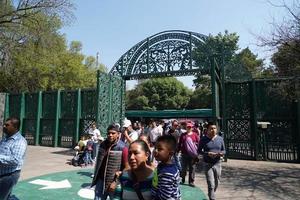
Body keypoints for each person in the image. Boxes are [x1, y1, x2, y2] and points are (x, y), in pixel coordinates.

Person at [91, 123, 129, 200]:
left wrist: (116, 182)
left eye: (113, 133)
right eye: (108, 133)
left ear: (118, 134)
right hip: (100, 180)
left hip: (114, 182)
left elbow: (127, 167)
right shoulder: (102, 144)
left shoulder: (123, 147)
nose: (110, 135)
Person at [0, 117, 27, 200]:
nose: (4, 126)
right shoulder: (5, 139)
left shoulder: (20, 141)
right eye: (4, 124)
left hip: (9, 176)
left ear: (15, 127)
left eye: (7, 125)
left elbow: (15, 160)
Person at [198, 121, 226, 200]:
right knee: (211, 184)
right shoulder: (203, 139)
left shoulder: (220, 139)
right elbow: (199, 151)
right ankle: (212, 197)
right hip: (207, 164)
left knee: (217, 183)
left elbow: (224, 150)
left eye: (214, 128)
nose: (213, 130)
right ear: (207, 130)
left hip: (217, 163)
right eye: (211, 128)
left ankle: (211, 192)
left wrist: (221, 153)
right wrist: (207, 153)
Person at [152, 135, 181, 200]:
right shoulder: (164, 165)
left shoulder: (167, 173)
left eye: (160, 149)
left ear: (170, 153)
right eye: (155, 148)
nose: (155, 151)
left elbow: (165, 196)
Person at [177, 122, 199, 187]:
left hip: (192, 155)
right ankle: (183, 178)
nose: (189, 128)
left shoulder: (195, 135)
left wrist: (197, 152)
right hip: (184, 154)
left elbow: (198, 143)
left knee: (192, 168)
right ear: (186, 128)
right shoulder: (183, 135)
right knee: (183, 168)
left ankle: (191, 181)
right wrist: (177, 151)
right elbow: (180, 143)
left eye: (190, 127)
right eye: (187, 127)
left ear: (192, 128)